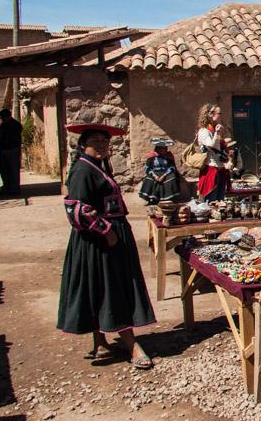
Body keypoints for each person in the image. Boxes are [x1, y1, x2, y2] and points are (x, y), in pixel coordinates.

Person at [58, 124, 155, 369]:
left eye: (104, 141)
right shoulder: (82, 170)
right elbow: (76, 208)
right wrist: (106, 230)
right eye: (96, 141)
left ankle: (100, 342)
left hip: (104, 239)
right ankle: (132, 345)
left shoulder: (97, 167)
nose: (101, 145)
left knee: (100, 286)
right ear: (83, 144)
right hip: (100, 240)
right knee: (114, 286)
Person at [196, 103, 229, 202]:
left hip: (220, 169)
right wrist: (217, 133)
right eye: (219, 113)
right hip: (210, 170)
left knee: (220, 201)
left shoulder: (213, 130)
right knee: (211, 201)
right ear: (210, 114)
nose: (220, 115)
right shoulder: (203, 131)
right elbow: (211, 145)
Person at [138, 138, 181, 205]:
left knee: (172, 177)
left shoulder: (168, 156)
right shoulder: (152, 156)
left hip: (166, 173)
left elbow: (172, 167)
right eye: (161, 148)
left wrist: (164, 175)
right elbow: (148, 167)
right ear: (157, 149)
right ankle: (151, 199)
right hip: (154, 172)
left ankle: (168, 198)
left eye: (165, 148)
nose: (164, 150)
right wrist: (154, 175)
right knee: (149, 179)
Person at [0, 108, 22, 196]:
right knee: (7, 170)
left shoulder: (14, 125)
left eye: (3, 117)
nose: (2, 119)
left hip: (12, 149)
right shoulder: (8, 125)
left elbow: (12, 138)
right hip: (8, 149)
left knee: (13, 169)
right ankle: (9, 187)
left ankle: (14, 189)